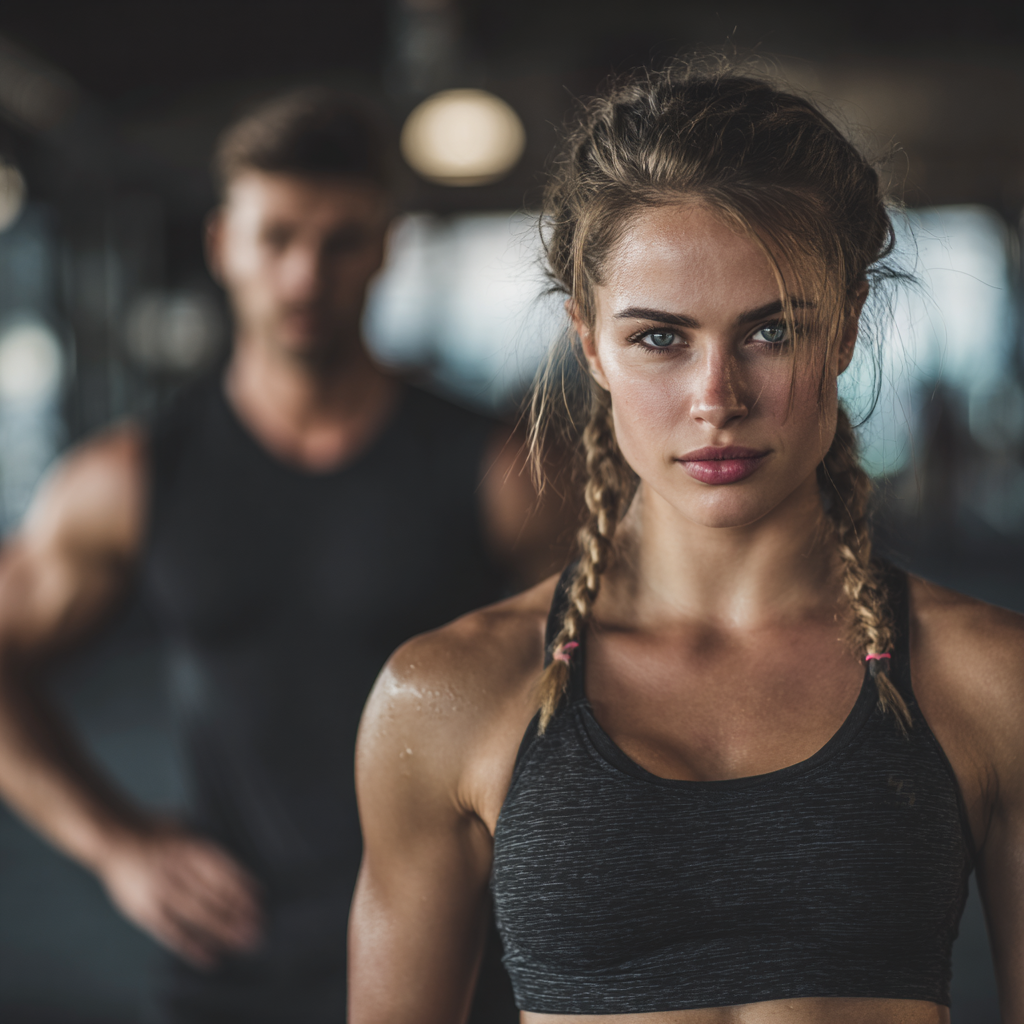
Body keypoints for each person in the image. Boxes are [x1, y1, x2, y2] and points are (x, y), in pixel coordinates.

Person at [350, 64, 1024, 1024]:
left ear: (844, 329)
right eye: (661, 339)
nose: (718, 399)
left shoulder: (993, 684)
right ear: (590, 342)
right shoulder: (448, 695)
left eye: (772, 331)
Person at [0, 90, 564, 1022]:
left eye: (341, 241)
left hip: (458, 963)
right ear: (223, 244)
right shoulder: (131, 479)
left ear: (384, 248)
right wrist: (116, 843)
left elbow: (642, 660)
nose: (306, 274)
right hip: (236, 962)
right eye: (277, 239)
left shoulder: (497, 473)